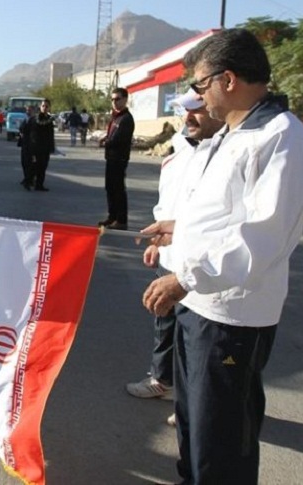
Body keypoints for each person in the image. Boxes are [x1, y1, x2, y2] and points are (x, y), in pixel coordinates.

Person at [141, 28, 303, 484]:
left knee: (221, 439)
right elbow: (227, 212)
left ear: (229, 79)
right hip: (200, 304)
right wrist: (180, 230)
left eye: (200, 86)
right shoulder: (234, 133)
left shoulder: (282, 138)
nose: (198, 98)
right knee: (193, 425)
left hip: (229, 316)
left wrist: (184, 277)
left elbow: (261, 237)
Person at [126, 89, 224, 427]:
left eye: (197, 109)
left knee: (197, 340)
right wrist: (160, 241)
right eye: (185, 110)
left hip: (203, 269)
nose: (188, 118)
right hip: (172, 255)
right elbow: (170, 201)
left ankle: (193, 400)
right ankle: (164, 382)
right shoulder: (181, 150)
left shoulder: (225, 152)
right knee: (166, 324)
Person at [98, 87, 135, 230]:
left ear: (125, 100)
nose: (114, 102)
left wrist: (105, 142)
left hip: (119, 159)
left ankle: (121, 219)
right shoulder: (116, 117)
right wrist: (105, 139)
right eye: (112, 99)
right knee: (110, 188)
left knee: (118, 189)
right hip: (111, 158)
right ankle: (112, 216)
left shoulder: (126, 118)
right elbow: (112, 135)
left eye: (118, 99)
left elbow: (118, 139)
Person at [22, 99, 56, 191]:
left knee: (43, 166)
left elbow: (50, 135)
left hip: (45, 148)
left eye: (46, 106)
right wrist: (28, 146)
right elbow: (26, 132)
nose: (45, 108)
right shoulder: (34, 119)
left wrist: (52, 147)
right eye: (43, 106)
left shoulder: (49, 120)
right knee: (33, 166)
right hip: (34, 148)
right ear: (40, 107)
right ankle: (28, 182)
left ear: (49, 108)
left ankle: (39, 185)